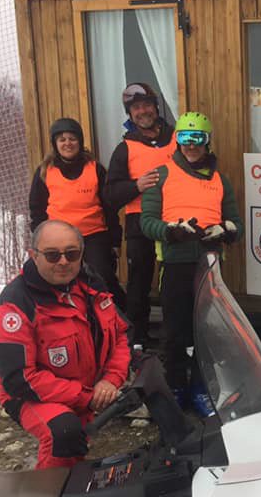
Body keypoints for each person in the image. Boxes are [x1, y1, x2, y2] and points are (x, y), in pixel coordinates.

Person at [0, 220, 131, 470]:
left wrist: (112, 379)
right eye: (52, 255)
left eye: (72, 253)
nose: (63, 262)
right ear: (33, 255)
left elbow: (120, 334)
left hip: (83, 385)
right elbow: (19, 379)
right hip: (28, 394)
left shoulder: (90, 284)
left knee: (76, 444)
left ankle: (73, 485)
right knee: (63, 433)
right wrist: (87, 397)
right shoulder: (14, 306)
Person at [139, 112, 242, 417]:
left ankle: (201, 389)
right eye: (185, 138)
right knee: (174, 331)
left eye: (198, 138)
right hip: (175, 262)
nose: (191, 145)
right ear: (178, 140)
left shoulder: (220, 180)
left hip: (209, 262)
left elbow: (235, 221)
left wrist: (227, 230)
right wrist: (171, 230)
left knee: (206, 332)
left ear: (207, 141)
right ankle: (174, 389)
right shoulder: (163, 173)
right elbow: (146, 222)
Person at [105, 83, 177, 348]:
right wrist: (135, 186)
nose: (142, 111)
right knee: (139, 283)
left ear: (156, 107)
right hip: (139, 222)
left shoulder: (176, 138)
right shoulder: (125, 148)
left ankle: (179, 335)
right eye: (136, 108)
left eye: (146, 104)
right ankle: (138, 339)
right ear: (130, 114)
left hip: (174, 218)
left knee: (177, 281)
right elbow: (110, 194)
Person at [29, 118, 124, 309]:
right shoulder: (45, 172)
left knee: (101, 276)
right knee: (56, 278)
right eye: (62, 139)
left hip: (93, 235)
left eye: (72, 138)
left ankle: (119, 317)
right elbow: (36, 209)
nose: (67, 143)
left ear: (80, 141)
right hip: (59, 239)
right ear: (55, 144)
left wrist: (114, 241)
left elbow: (109, 207)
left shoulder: (95, 169)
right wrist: (41, 239)